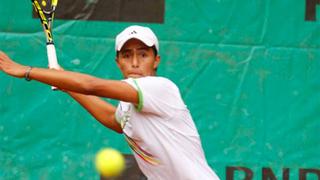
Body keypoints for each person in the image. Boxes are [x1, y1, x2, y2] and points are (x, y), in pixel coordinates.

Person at [0, 25, 220, 180]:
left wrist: (26, 71)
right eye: (126, 55)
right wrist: (67, 84)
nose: (134, 63)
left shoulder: (160, 88)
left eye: (143, 55)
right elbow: (113, 119)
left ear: (156, 60)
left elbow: (90, 85)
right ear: (118, 62)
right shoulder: (129, 102)